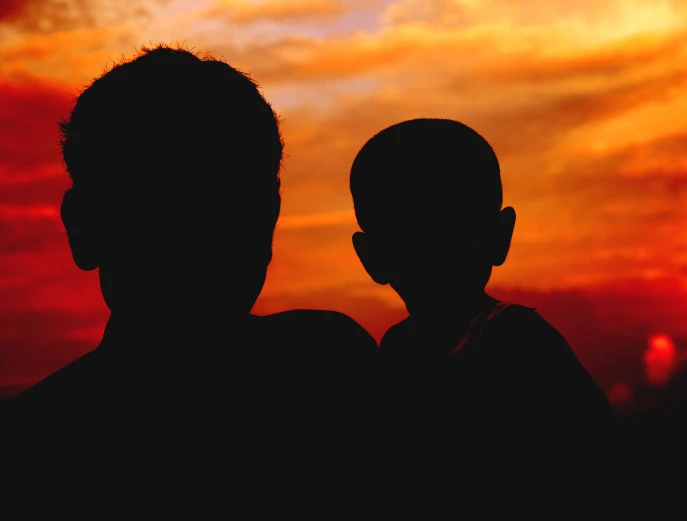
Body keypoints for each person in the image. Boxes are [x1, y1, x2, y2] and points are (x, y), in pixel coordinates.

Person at [4, 45, 378, 454]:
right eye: (161, 205)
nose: (198, 244)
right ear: (85, 225)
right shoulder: (330, 369)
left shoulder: (332, 366)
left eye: (228, 205)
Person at [349, 118, 613, 445]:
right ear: (502, 235)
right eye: (414, 233)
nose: (435, 247)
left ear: (370, 257)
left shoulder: (516, 340)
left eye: (451, 228)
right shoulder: (396, 351)